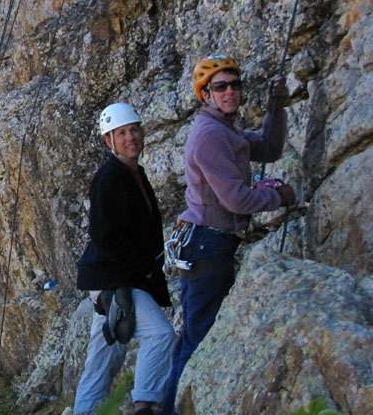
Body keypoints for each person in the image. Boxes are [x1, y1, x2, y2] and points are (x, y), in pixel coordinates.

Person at [161, 56, 296, 414]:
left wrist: (276, 106)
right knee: (198, 338)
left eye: (234, 85)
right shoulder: (209, 136)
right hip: (208, 243)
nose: (230, 92)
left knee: (194, 336)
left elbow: (269, 148)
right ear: (206, 95)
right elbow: (236, 199)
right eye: (220, 87)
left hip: (209, 244)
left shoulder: (226, 129)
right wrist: (277, 197)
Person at [74, 102, 175, 415]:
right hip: (116, 278)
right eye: (121, 133)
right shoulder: (110, 178)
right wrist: (141, 269)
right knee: (160, 335)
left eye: (134, 130)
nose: (130, 137)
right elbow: (105, 236)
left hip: (112, 278)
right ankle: (144, 404)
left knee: (103, 360)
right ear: (109, 141)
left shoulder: (133, 173)